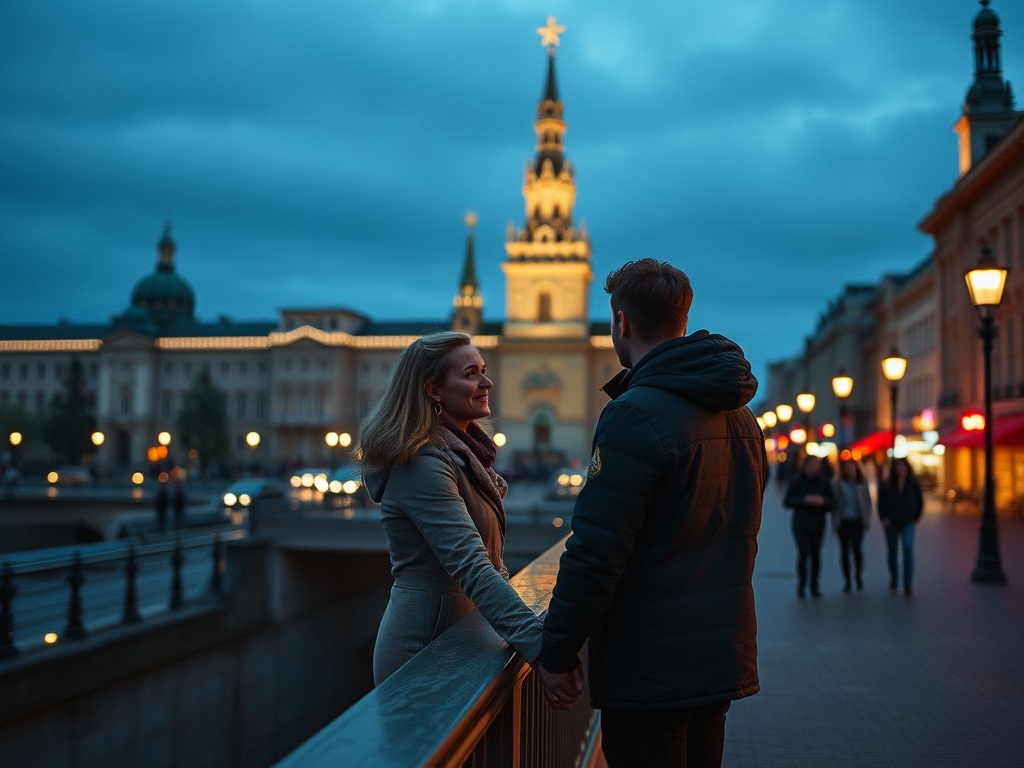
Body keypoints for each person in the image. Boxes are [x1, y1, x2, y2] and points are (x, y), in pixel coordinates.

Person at [539, 259, 766, 768]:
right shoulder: (742, 416)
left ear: (621, 322)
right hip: (718, 655)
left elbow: (596, 550)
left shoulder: (632, 414)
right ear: (682, 319)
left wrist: (557, 651)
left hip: (648, 666)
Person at [360, 331, 543, 684]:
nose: (487, 383)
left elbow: (490, 561)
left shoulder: (463, 455)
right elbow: (471, 564)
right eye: (470, 374)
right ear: (433, 390)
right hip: (422, 649)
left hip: (459, 636)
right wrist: (540, 646)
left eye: (483, 371)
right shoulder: (421, 462)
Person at [784, 454, 835, 598]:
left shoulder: (824, 482)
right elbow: (787, 501)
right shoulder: (796, 481)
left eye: (815, 465)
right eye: (810, 465)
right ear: (804, 466)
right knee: (803, 554)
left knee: (816, 554)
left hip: (818, 523)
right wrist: (804, 500)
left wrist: (823, 502)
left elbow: (833, 503)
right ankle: (801, 584)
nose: (812, 468)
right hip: (800, 523)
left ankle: (814, 585)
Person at [877, 457, 923, 597]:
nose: (901, 468)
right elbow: (881, 502)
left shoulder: (913, 483)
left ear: (907, 467)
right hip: (891, 523)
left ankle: (907, 583)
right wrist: (884, 519)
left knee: (908, 549)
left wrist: (916, 517)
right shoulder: (887, 483)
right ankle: (894, 577)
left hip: (908, 522)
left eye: (903, 466)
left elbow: (920, 501)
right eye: (898, 466)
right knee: (892, 552)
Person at [831, 458, 871, 592]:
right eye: (847, 467)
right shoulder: (837, 483)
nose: (850, 469)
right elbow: (834, 503)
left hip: (857, 521)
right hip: (843, 522)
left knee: (857, 549)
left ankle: (858, 575)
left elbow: (867, 503)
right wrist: (835, 522)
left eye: (852, 467)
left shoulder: (862, 483)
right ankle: (847, 579)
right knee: (844, 551)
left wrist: (867, 520)